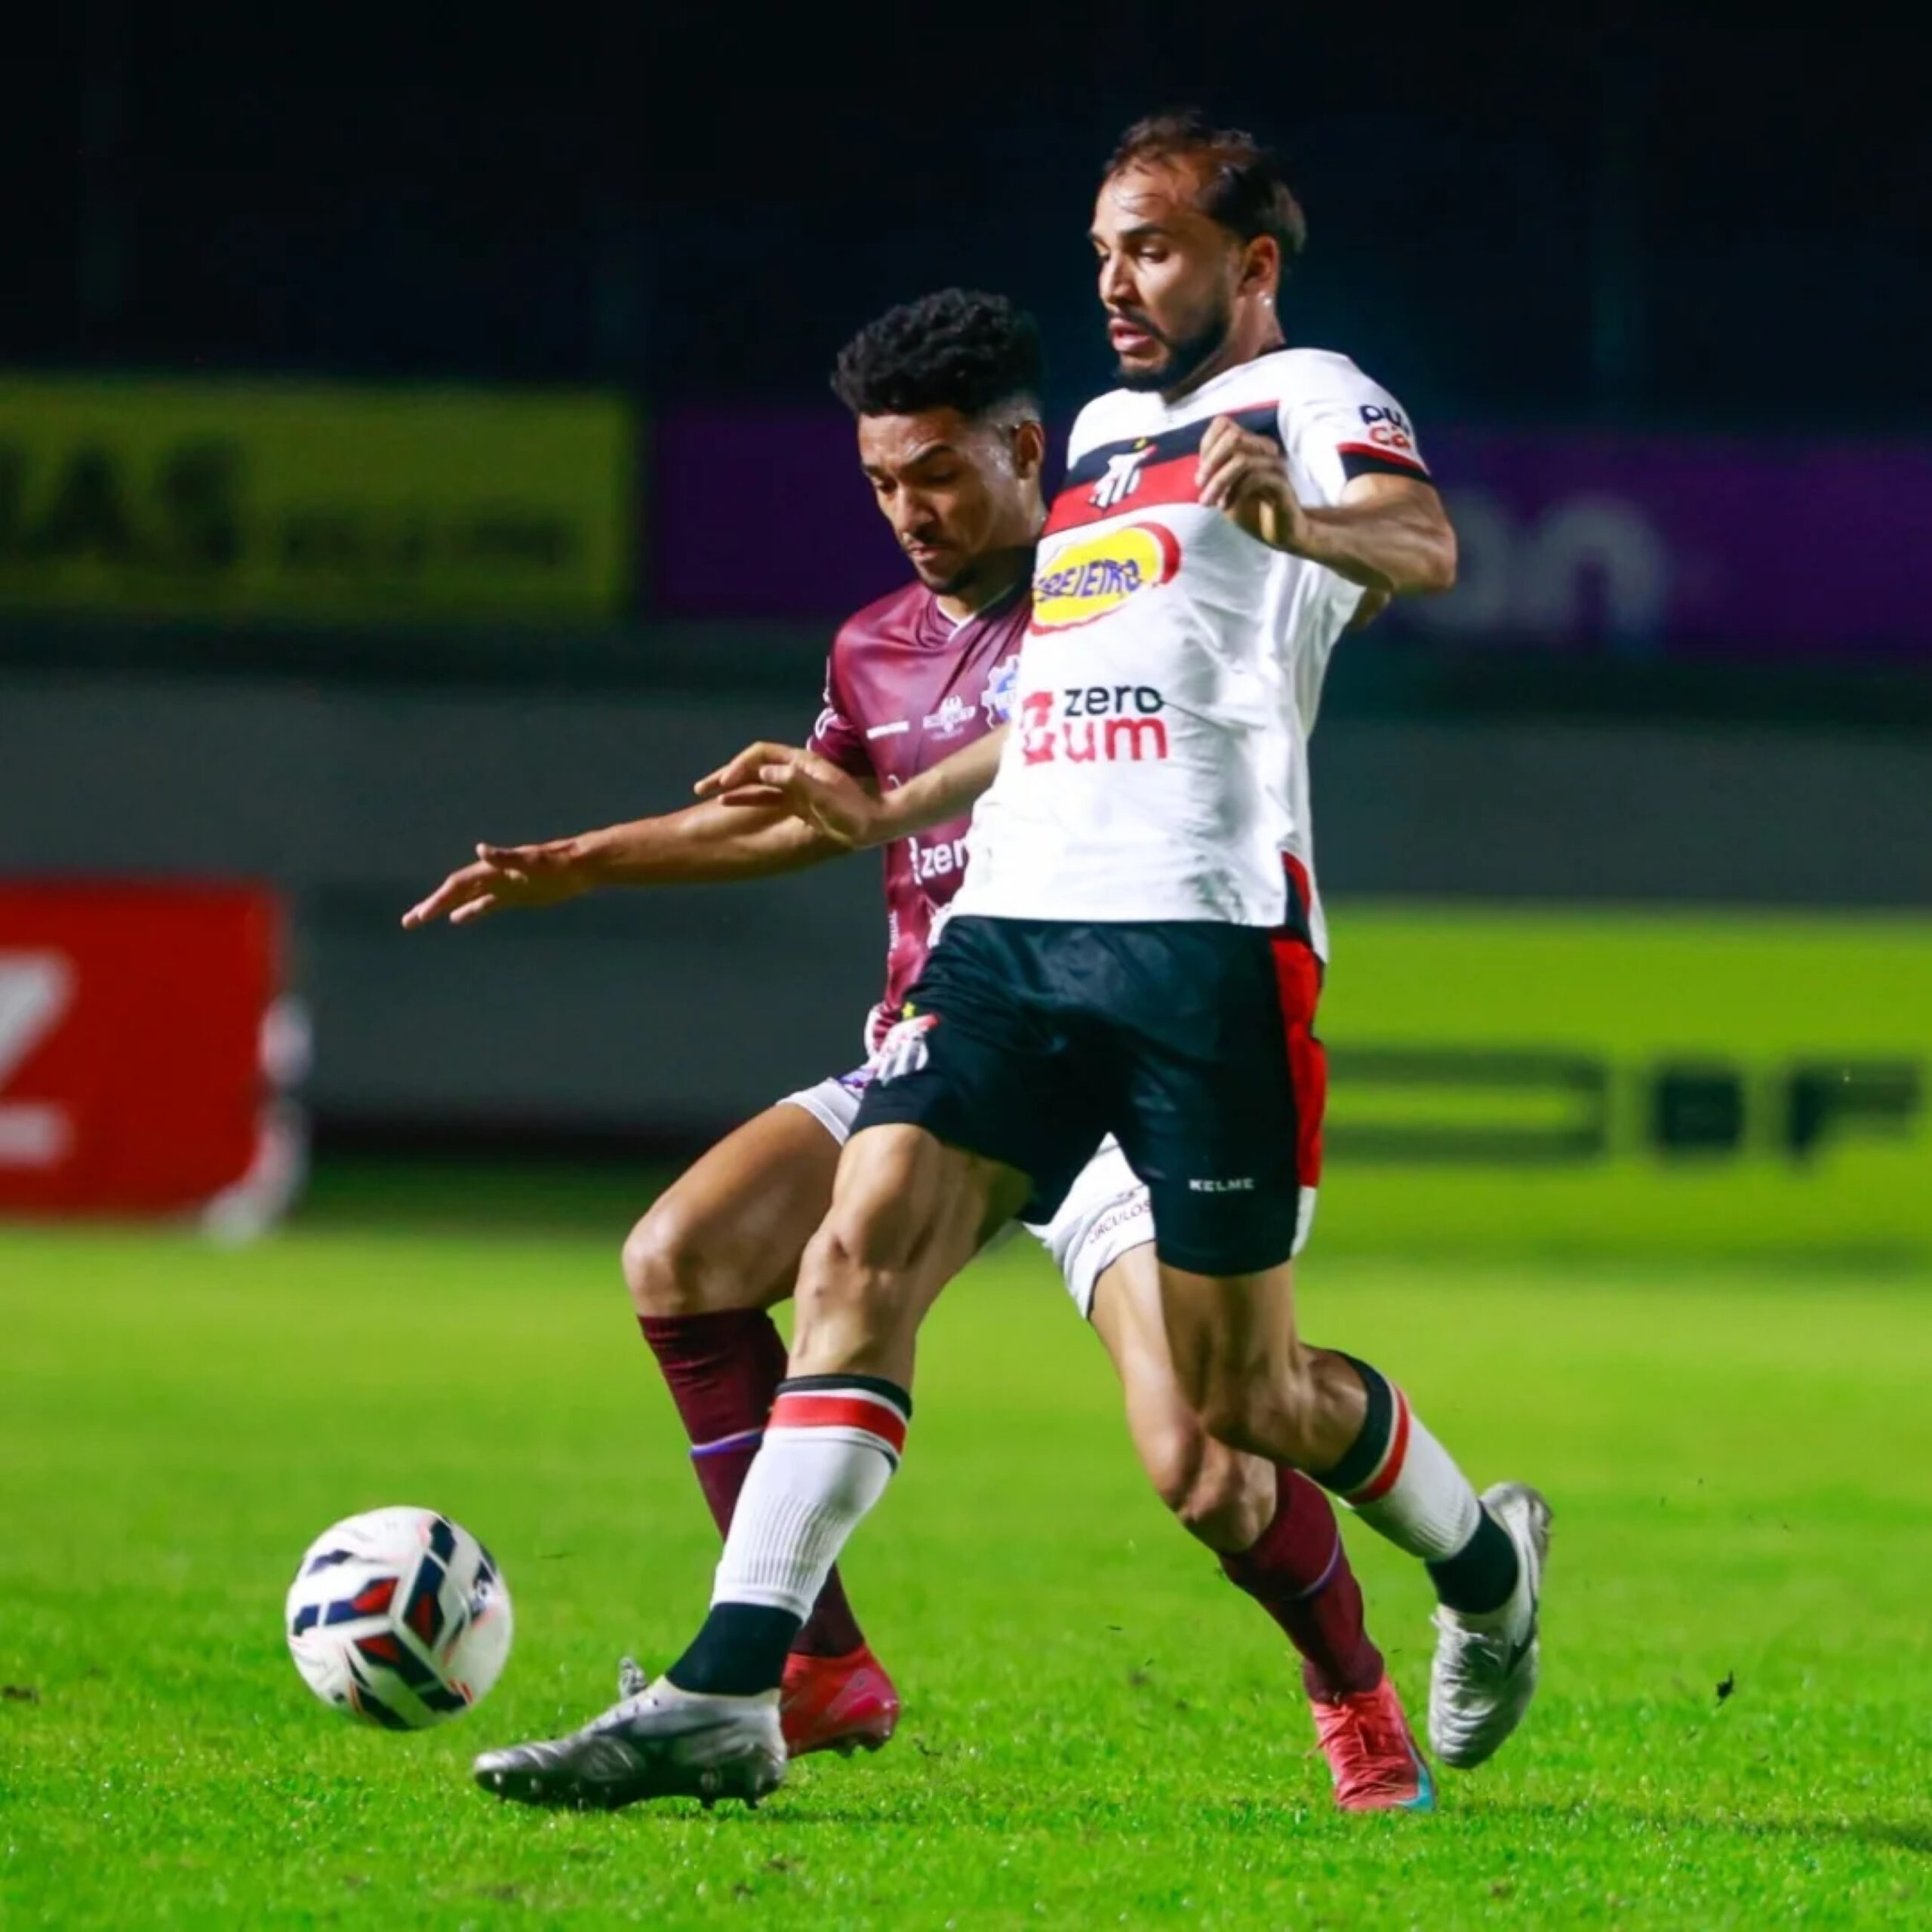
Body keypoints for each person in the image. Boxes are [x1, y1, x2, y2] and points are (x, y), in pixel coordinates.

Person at [472, 115, 1549, 1814]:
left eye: (1156, 248)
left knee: (1235, 1407)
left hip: (1201, 947)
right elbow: (1049, 712)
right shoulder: (1108, 437)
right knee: (852, 1258)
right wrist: (882, 803)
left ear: (1249, 264)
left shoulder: (1315, 394)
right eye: (1105, 250)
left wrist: (1306, 526)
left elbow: (1423, 549)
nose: (1117, 282)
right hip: (1016, 937)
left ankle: (1481, 1566)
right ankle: (732, 1686)